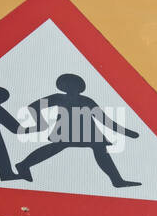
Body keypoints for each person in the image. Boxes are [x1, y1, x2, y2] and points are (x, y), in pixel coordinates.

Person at [12, 73, 141, 188]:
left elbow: (104, 119)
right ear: (63, 86)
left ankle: (117, 180)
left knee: (99, 148)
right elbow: (34, 106)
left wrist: (127, 132)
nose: (71, 87)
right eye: (67, 84)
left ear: (79, 87)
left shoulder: (86, 100)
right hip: (66, 130)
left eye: (74, 84)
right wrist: (40, 122)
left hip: (87, 131)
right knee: (56, 147)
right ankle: (23, 165)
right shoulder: (58, 98)